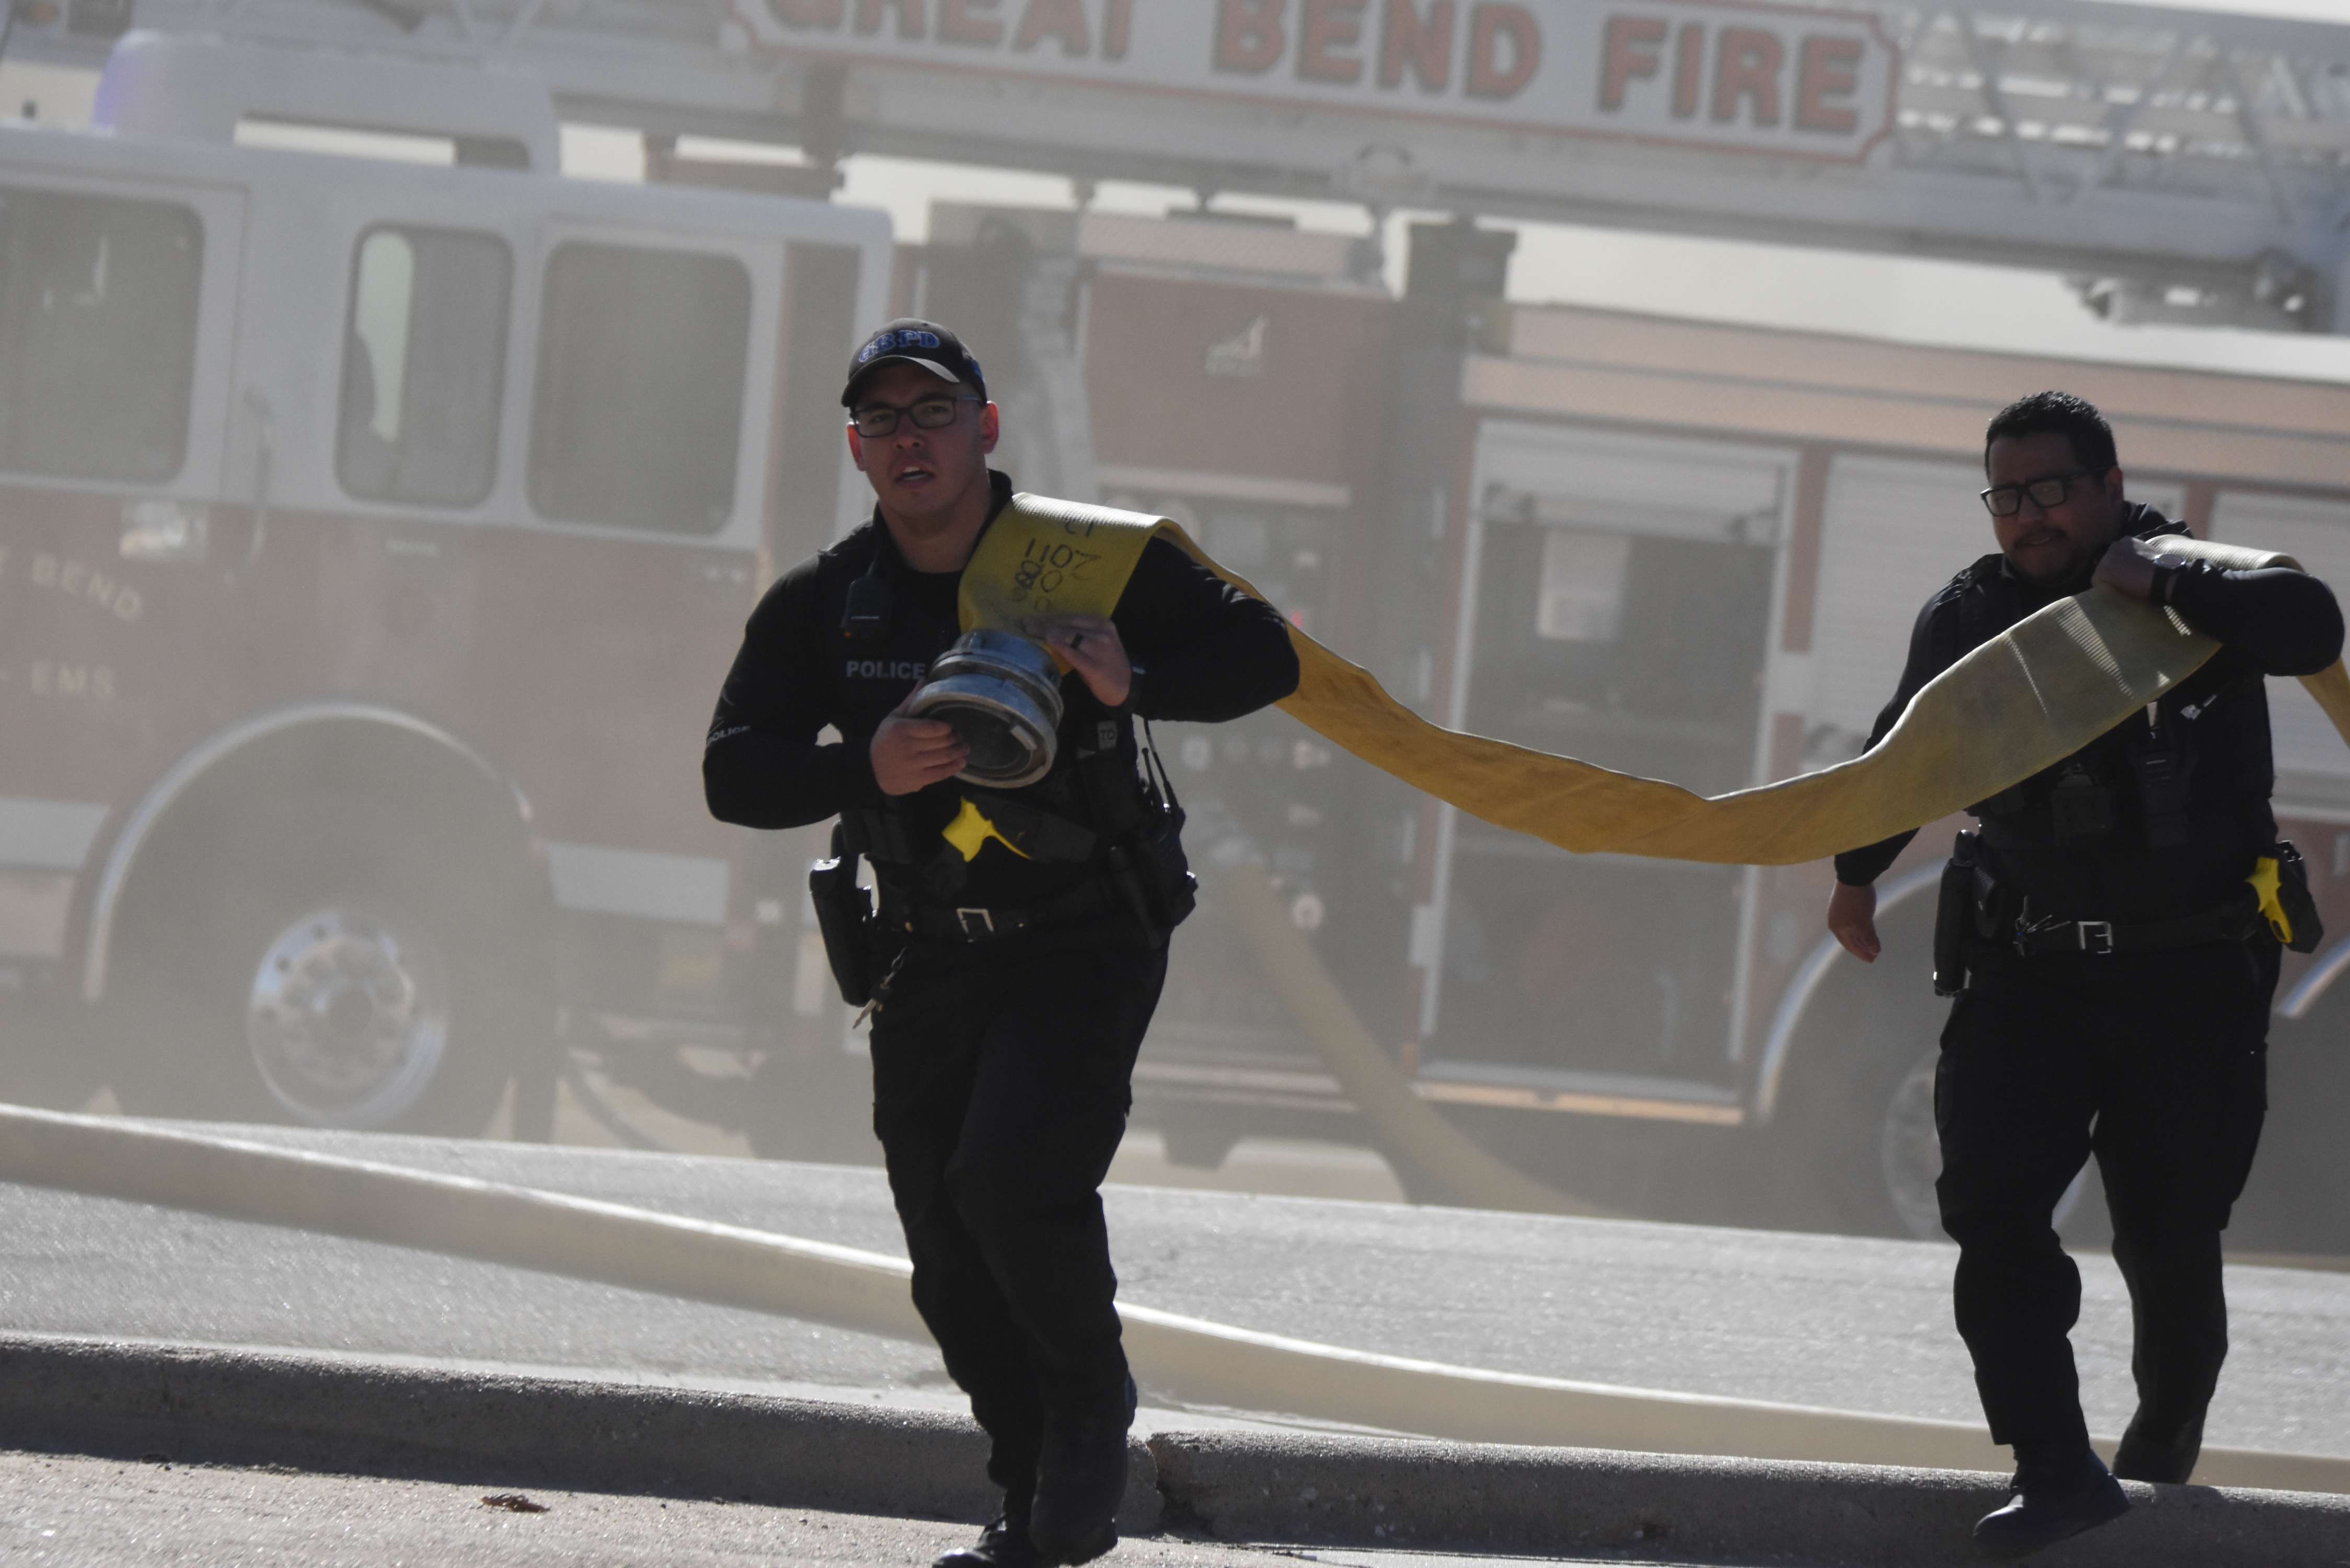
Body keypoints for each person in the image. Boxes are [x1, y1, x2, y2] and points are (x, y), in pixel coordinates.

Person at [704, 319, 1299, 1568]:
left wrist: (1132, 677)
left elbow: (1263, 652)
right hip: (928, 954)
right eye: (882, 420)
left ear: (984, 427)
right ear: (858, 451)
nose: (908, 438)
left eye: (933, 412)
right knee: (943, 1249)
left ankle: (1087, 1423)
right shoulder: (825, 602)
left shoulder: (1083, 560)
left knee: (1009, 1180)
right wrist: (854, 764)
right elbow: (732, 775)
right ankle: (1028, 1486)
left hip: (1084, 940)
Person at [1825, 390, 2343, 1558]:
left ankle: (2155, 1456)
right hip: (2028, 979)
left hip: (2190, 984)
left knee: (2168, 1239)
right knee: (1993, 1213)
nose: (2028, 517)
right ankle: (2054, 1470)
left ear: (2108, 487)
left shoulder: (2197, 581)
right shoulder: (1973, 612)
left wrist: (2156, 584)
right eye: (2007, 495)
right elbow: (1899, 750)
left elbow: (2311, 625)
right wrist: (1853, 877)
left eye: (2050, 489)